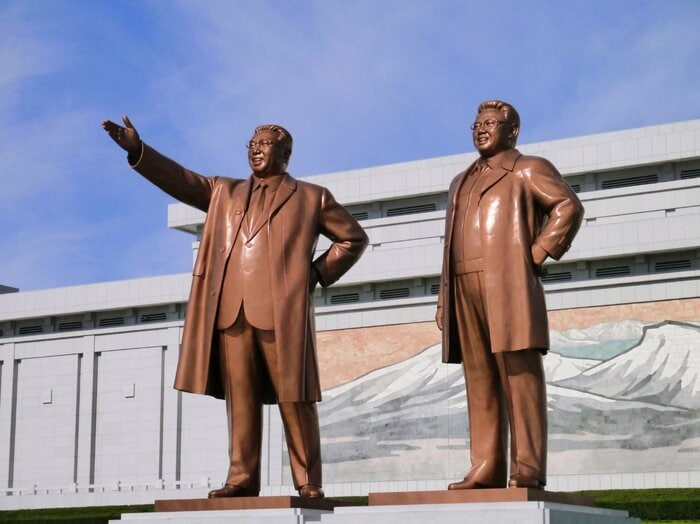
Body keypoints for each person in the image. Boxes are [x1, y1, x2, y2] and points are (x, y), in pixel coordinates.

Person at [102, 116, 368, 498]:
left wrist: (312, 275)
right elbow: (181, 180)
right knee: (240, 401)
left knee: (295, 397)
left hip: (281, 313)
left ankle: (308, 480)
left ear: (285, 154)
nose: (256, 150)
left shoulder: (312, 197)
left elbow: (352, 238)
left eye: (264, 144)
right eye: (252, 144)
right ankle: (241, 479)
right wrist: (139, 151)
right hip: (232, 312)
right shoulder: (223, 192)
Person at [436, 100, 583, 490]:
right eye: (477, 124)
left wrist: (535, 254)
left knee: (520, 374)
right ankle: (485, 465)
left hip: (508, 281)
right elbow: (449, 242)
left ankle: (527, 466)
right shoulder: (460, 180)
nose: (481, 129)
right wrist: (443, 298)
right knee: (479, 378)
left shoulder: (527, 168)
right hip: (463, 284)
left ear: (512, 131)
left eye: (490, 123)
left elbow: (567, 205)